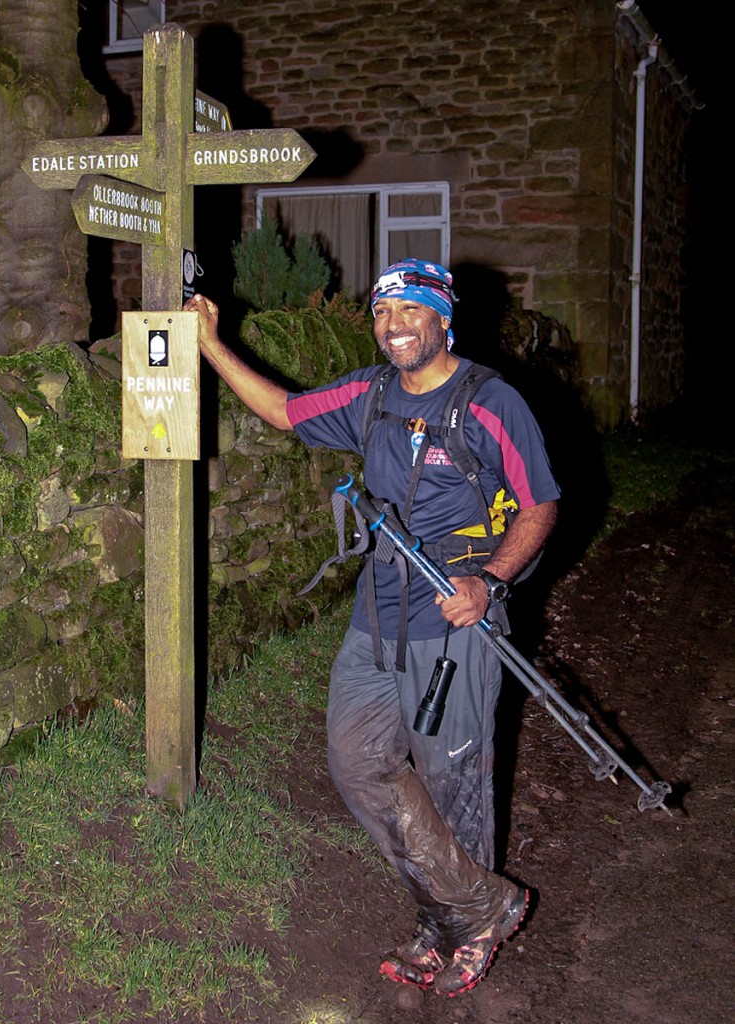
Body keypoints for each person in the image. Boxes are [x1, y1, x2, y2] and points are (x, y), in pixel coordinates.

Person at [184, 259, 559, 997]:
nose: (393, 327)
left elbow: (540, 503)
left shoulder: (490, 403)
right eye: (383, 314)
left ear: (442, 320)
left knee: (453, 780)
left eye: (409, 313)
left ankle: (458, 925)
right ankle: (473, 902)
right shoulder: (371, 392)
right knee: (357, 762)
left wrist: (489, 581)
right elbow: (286, 411)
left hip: (456, 623)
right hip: (377, 616)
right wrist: (207, 345)